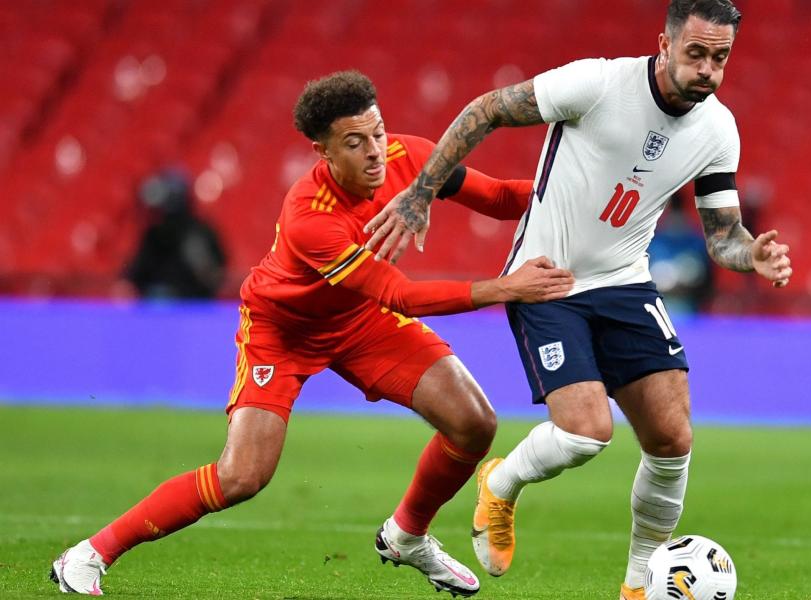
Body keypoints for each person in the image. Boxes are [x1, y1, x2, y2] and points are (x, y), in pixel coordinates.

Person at [50, 70, 573, 598]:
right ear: (322, 150)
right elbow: (402, 296)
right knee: (242, 477)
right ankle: (89, 555)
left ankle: (407, 535)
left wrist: (587, 197)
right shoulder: (310, 218)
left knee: (474, 423)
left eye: (378, 132)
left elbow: (505, 199)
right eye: (355, 142)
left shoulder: (407, 156)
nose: (375, 151)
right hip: (284, 330)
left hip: (358, 319)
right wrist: (508, 287)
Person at [363, 2, 793, 598]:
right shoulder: (597, 83)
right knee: (587, 433)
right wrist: (418, 194)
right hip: (547, 280)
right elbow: (486, 109)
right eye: (696, 53)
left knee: (673, 439)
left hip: (625, 282)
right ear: (664, 45)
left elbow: (723, 236)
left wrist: (754, 256)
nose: (709, 71)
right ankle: (502, 482)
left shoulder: (718, 130)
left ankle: (641, 583)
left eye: (720, 58)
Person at [126, 169, 227, 299]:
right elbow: (138, 272)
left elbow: (215, 274)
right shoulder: (155, 234)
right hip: (159, 302)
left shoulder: (199, 232)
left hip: (194, 302)